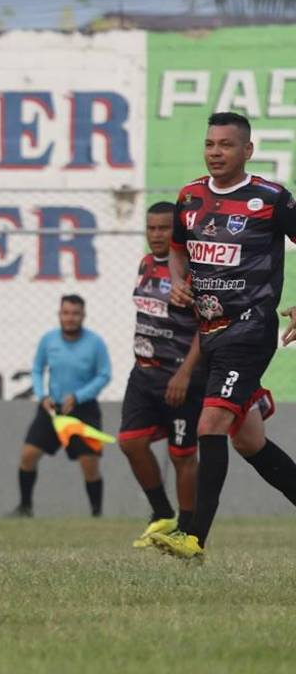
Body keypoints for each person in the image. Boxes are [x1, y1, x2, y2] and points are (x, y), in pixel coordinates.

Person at [150, 112, 296, 560]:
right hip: (209, 331)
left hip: (250, 328)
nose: (216, 152)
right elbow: (178, 249)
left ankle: (192, 536)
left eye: (226, 145)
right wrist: (178, 281)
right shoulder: (190, 196)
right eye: (210, 143)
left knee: (210, 424)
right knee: (248, 440)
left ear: (247, 150)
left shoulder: (270, 198)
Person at [118, 201, 204, 548]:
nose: (156, 235)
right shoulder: (145, 264)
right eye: (151, 228)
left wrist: (185, 373)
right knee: (130, 441)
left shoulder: (190, 273)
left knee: (182, 456)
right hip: (143, 374)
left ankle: (186, 528)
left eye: (164, 228)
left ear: (178, 231)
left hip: (179, 378)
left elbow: (207, 327)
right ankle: (161, 514)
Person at [8, 295, 111, 517]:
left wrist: (79, 396)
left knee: (89, 464)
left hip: (83, 409)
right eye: (66, 313)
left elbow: (104, 375)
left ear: (83, 315)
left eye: (75, 313)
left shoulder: (95, 343)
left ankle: (96, 515)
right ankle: (25, 507)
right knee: (28, 455)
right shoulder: (49, 340)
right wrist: (41, 395)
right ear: (59, 315)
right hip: (52, 409)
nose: (70, 318)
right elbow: (37, 369)